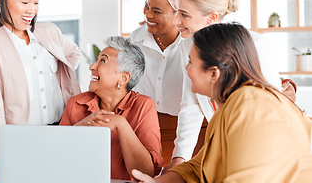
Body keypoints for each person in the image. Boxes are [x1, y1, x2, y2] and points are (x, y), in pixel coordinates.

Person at [132, 23, 312, 183]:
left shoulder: (251, 104)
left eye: (191, 62)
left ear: (213, 74)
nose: (186, 70)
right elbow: (196, 169)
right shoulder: (227, 109)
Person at [0, 0, 81, 182]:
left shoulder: (48, 31)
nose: (32, 9)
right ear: (0, 0)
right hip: (23, 140)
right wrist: (3, 169)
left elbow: (73, 54)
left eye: (36, 2)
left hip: (64, 133)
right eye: (25, 2)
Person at [128, 0, 205, 170]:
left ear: (179, 12)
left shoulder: (197, 45)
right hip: (147, 134)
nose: (148, 15)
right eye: (146, 6)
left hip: (195, 134)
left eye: (157, 11)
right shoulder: (134, 42)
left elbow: (193, 106)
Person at [60, 36, 163, 180]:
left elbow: (146, 172)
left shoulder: (143, 106)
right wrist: (84, 126)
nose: (92, 66)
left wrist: (121, 124)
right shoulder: (76, 104)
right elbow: (57, 156)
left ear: (123, 78)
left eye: (102, 60)